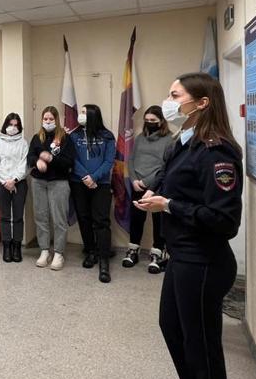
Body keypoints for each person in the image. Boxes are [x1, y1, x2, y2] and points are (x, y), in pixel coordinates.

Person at [134, 73, 243, 379]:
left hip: (204, 260)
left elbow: (225, 220)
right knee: (173, 326)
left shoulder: (216, 153)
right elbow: (175, 178)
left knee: (201, 341)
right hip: (181, 254)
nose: (168, 102)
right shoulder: (185, 141)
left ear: (202, 103)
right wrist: (156, 190)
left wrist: (168, 205)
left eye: (175, 95)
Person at [124, 105, 176, 273]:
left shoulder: (170, 139)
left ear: (161, 121)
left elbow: (165, 166)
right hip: (137, 184)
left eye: (153, 120)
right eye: (146, 120)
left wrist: (147, 183)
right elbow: (131, 160)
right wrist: (134, 180)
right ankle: (133, 250)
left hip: (157, 186)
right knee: (136, 218)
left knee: (158, 221)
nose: (149, 123)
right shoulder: (140, 138)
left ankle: (157, 253)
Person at [69, 104, 116, 283]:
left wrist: (94, 177)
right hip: (79, 183)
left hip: (101, 184)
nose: (80, 115)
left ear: (92, 115)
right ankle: (91, 251)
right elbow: (72, 159)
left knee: (101, 222)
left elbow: (109, 161)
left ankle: (104, 260)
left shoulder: (107, 136)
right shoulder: (74, 135)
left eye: (83, 112)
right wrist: (85, 177)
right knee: (84, 218)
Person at [27, 106, 76, 271]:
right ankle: (44, 250)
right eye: (45, 119)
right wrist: (36, 162)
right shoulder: (37, 137)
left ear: (56, 120)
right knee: (41, 217)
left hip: (59, 182)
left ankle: (59, 253)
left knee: (59, 219)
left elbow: (69, 162)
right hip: (38, 182)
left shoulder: (65, 138)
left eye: (51, 119)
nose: (47, 122)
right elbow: (30, 156)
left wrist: (50, 159)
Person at [0, 112, 29, 263]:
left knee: (18, 217)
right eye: (10, 124)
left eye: (16, 125)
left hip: (20, 183)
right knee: (5, 216)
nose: (12, 127)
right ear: (5, 125)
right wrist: (6, 181)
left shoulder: (23, 143)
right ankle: (6, 246)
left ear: (19, 127)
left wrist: (15, 180)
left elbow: (24, 164)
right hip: (2, 184)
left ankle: (17, 247)